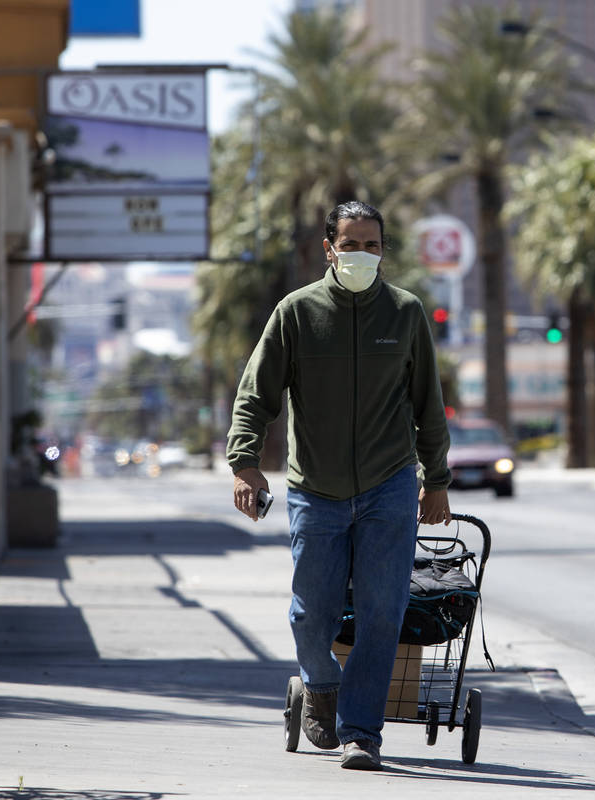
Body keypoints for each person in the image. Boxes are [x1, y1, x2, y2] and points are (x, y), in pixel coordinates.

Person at [227, 200, 452, 771]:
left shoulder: (405, 313)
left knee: (382, 612)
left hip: (389, 485)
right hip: (315, 489)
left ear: (384, 251)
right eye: (350, 245)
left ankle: (361, 733)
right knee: (311, 614)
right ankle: (321, 685)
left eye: (372, 246)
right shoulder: (297, 313)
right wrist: (245, 463)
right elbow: (257, 394)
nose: (361, 255)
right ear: (328, 249)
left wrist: (436, 481)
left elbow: (429, 405)